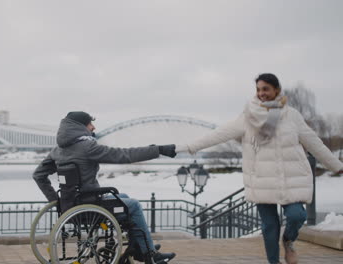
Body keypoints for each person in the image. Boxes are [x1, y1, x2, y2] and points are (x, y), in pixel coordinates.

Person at [177, 73, 343, 264]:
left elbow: (314, 143)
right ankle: (273, 262)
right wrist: (188, 147)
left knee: (297, 215)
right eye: (258, 89)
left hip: (291, 178)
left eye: (266, 89)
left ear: (276, 90)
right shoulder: (248, 118)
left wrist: (336, 166)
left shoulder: (292, 116)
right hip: (261, 179)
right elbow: (218, 135)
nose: (261, 93)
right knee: (270, 225)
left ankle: (288, 240)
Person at [33, 111, 177, 263]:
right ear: (80, 126)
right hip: (90, 204)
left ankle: (139, 246)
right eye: (90, 123)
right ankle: (149, 253)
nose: (93, 127)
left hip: (72, 205)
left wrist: (57, 202)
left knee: (124, 198)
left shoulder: (57, 150)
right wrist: (158, 150)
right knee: (133, 205)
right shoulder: (87, 147)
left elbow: (39, 175)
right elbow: (124, 155)